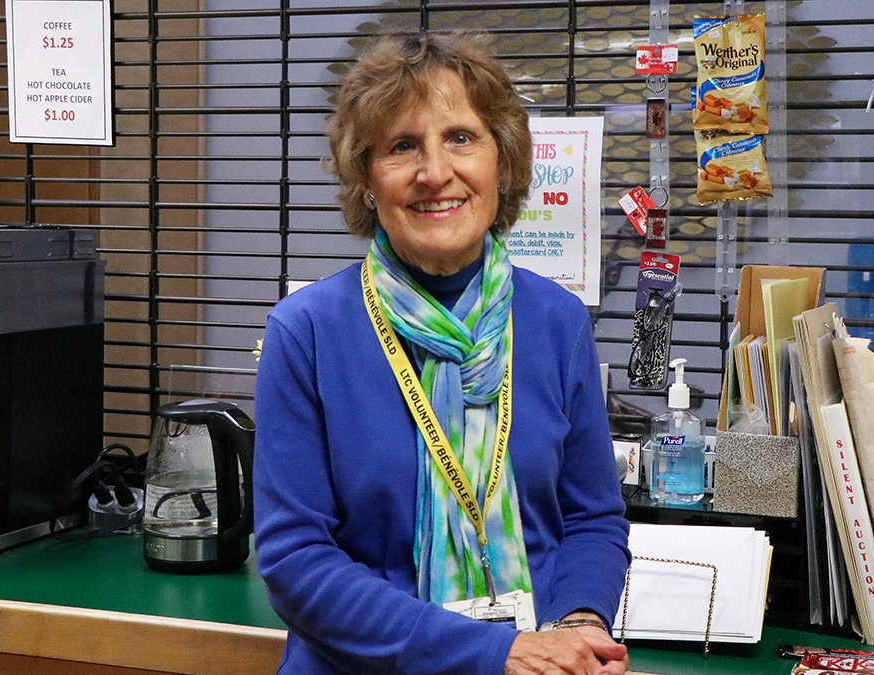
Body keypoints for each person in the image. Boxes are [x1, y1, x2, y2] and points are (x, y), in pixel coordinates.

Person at [252, 31, 631, 675]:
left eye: (461, 137)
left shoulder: (556, 321)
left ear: (502, 165)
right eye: (403, 146)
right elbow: (295, 560)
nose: (435, 172)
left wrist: (578, 628)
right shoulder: (307, 331)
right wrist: (493, 652)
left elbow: (592, 519)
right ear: (366, 179)